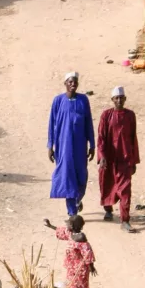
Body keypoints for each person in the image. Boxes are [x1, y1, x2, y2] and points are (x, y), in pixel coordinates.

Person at [48, 71, 95, 217]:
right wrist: (50, 146)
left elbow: (88, 123)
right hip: (63, 147)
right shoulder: (58, 101)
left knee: (81, 176)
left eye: (75, 81)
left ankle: (77, 199)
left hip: (80, 146)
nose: (73, 84)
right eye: (70, 81)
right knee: (67, 176)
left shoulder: (83, 100)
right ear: (65, 84)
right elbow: (52, 124)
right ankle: (72, 212)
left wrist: (92, 144)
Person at [97, 86, 140, 232]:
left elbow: (133, 138)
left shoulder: (130, 115)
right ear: (112, 100)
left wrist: (134, 160)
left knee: (125, 190)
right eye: (117, 98)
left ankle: (125, 220)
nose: (119, 100)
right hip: (109, 159)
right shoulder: (106, 116)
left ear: (125, 99)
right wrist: (102, 156)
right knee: (107, 185)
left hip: (125, 159)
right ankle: (108, 209)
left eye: (122, 98)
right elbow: (101, 137)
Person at [43, 215, 97, 288]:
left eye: (68, 223)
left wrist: (91, 267)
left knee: (81, 286)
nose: (66, 224)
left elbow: (87, 252)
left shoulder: (81, 237)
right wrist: (50, 225)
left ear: (73, 225)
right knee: (72, 285)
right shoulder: (70, 233)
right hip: (71, 266)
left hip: (80, 268)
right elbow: (61, 231)